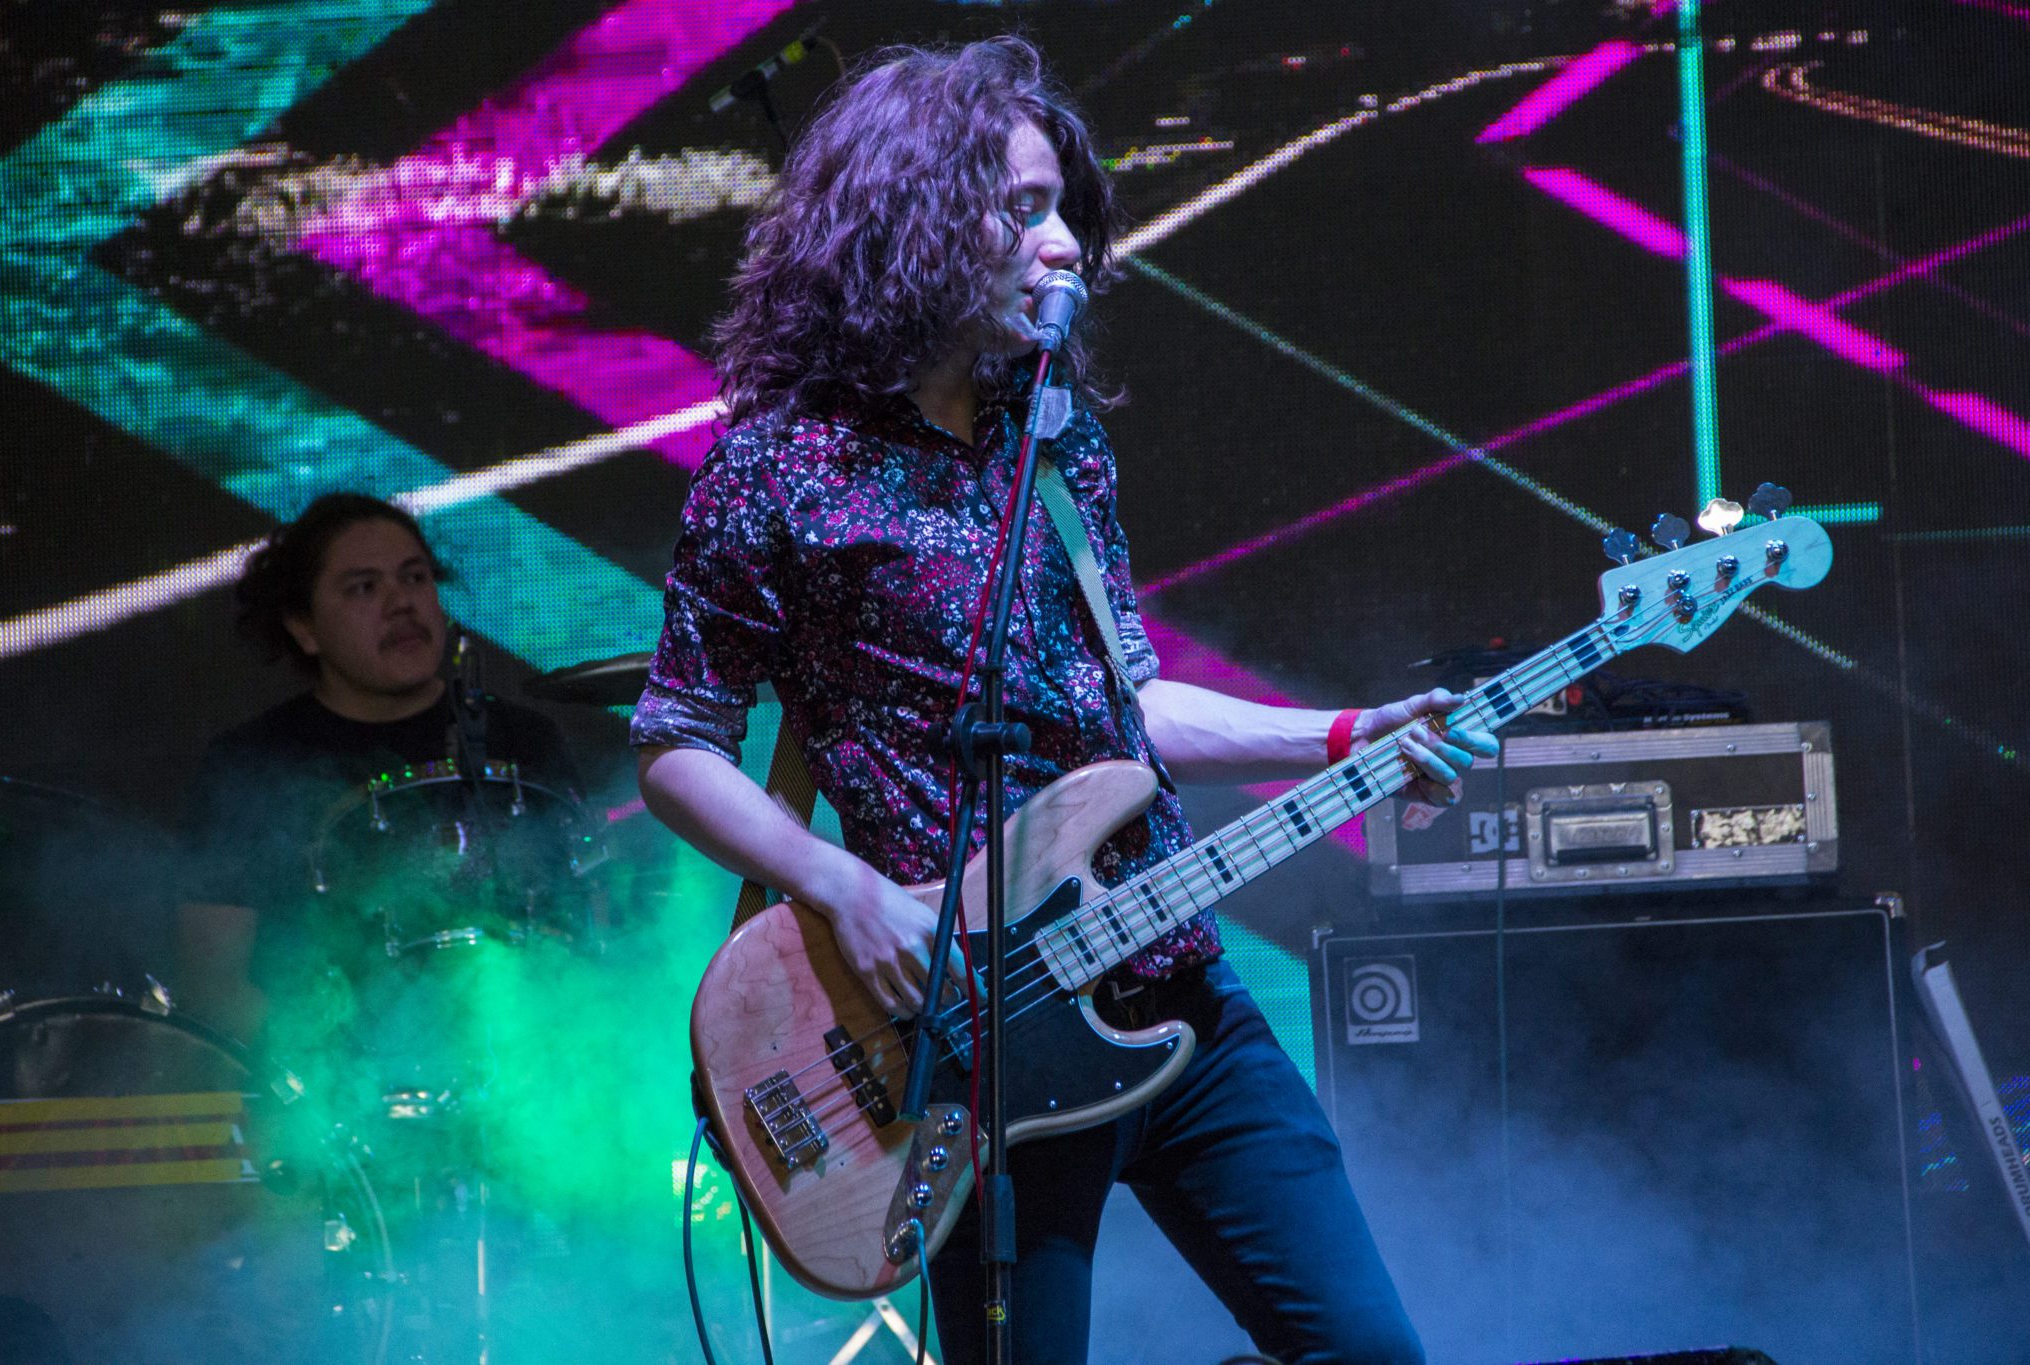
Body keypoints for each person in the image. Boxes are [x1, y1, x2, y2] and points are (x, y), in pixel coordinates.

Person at [633, 38, 1496, 1365]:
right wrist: (844, 890)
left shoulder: (1057, 434)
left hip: (1174, 986)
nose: (1063, 248)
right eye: (1021, 210)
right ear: (911, 222)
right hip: (972, 1037)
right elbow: (675, 746)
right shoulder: (776, 473)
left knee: (1368, 1352)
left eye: (1063, 211)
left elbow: (1122, 704)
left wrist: (1340, 736)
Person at [175, 492, 582, 1050]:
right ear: (303, 627)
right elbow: (211, 989)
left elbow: (588, 931)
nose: (401, 603)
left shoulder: (525, 741)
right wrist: (333, 1079)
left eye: (415, 578)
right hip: (338, 1085)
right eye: (364, 588)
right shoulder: (249, 766)